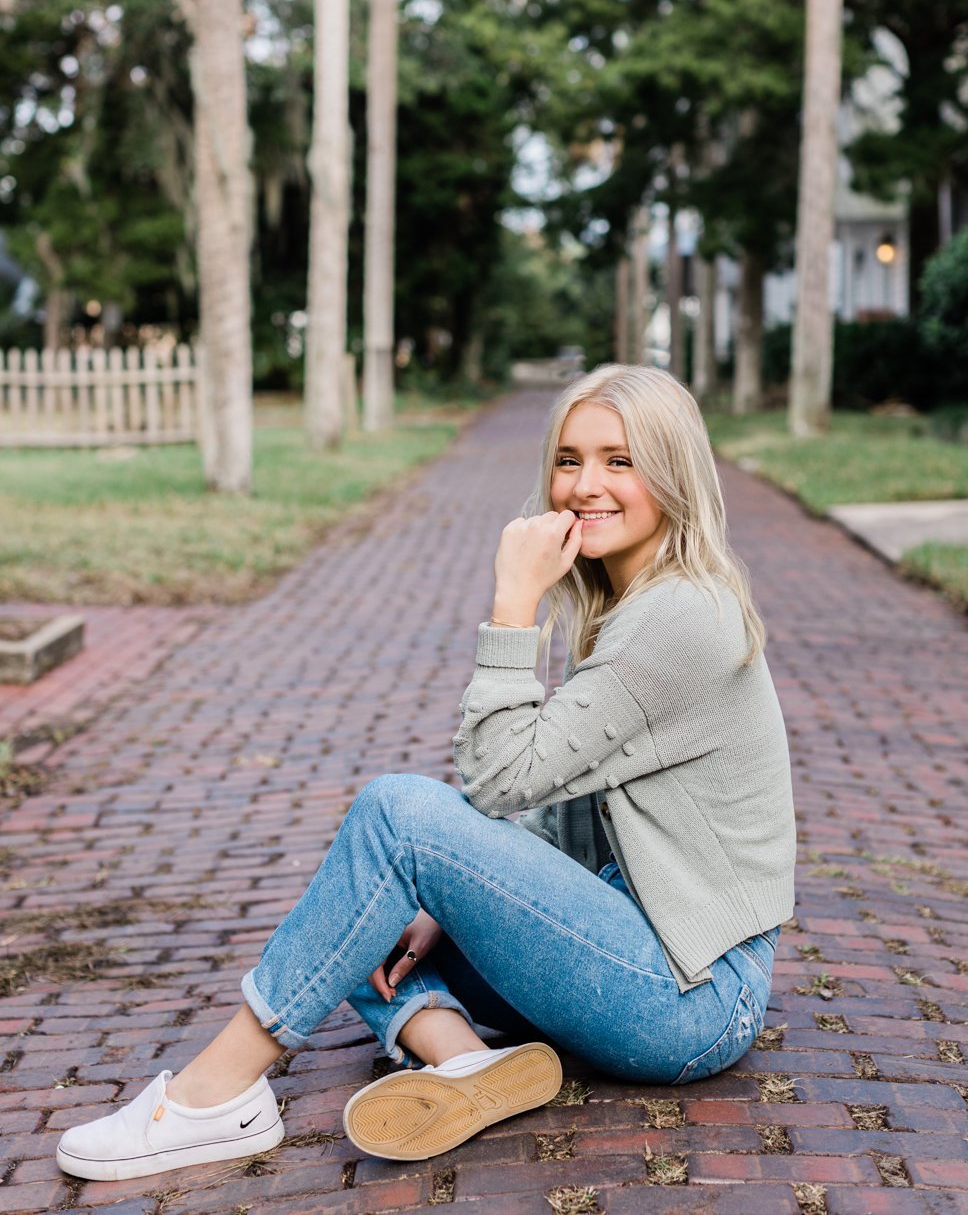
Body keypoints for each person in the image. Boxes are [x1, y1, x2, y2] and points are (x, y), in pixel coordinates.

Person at [56, 364, 796, 1180]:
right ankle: (467, 1064)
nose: (586, 485)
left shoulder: (680, 618)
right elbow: (556, 807)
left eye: (620, 461)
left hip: (694, 1001)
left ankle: (213, 1095)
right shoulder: (638, 603)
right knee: (357, 931)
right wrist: (445, 904)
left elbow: (497, 777)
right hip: (635, 952)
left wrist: (513, 607)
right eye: (570, 459)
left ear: (675, 474)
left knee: (395, 817)